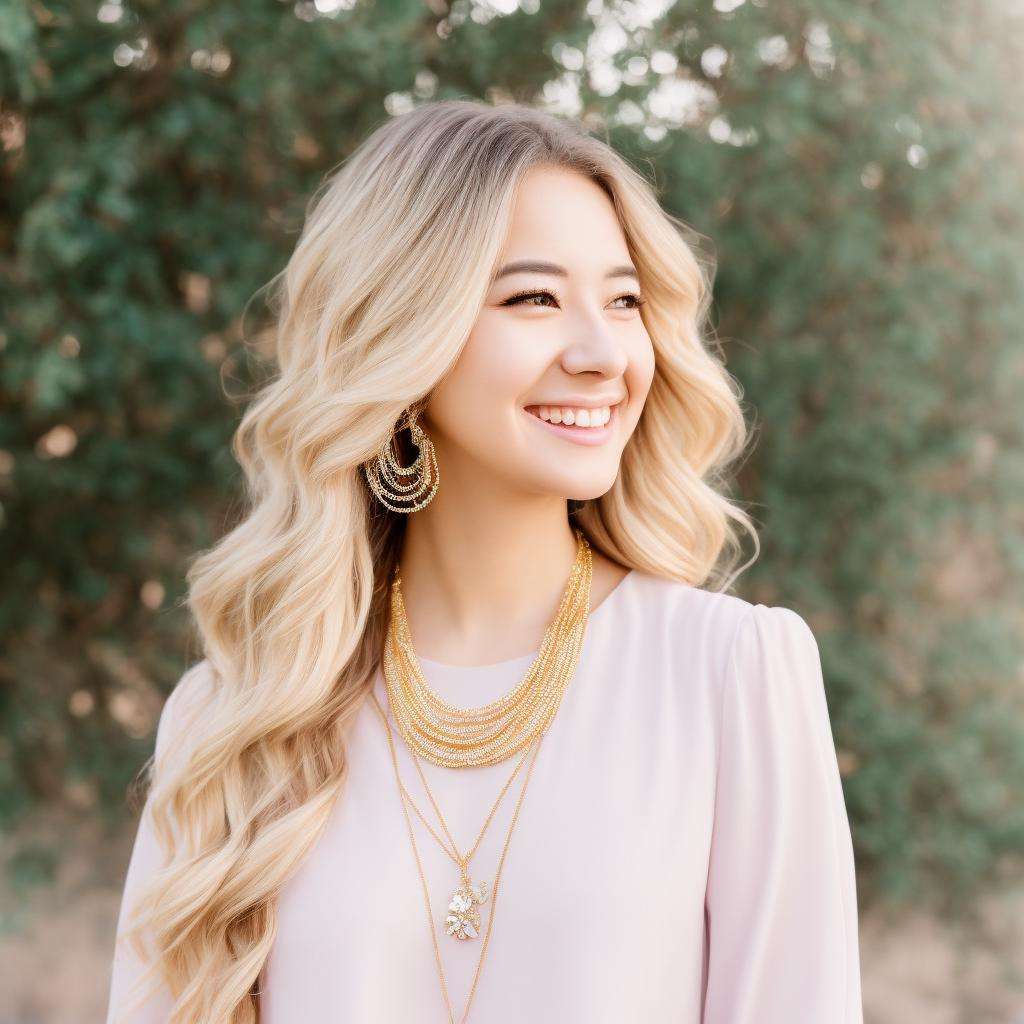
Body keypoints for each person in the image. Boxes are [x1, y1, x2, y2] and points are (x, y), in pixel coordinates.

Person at [105, 98, 864, 1023]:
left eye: (623, 301)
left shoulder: (727, 675)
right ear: (399, 333)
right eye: (533, 297)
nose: (602, 355)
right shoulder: (234, 719)